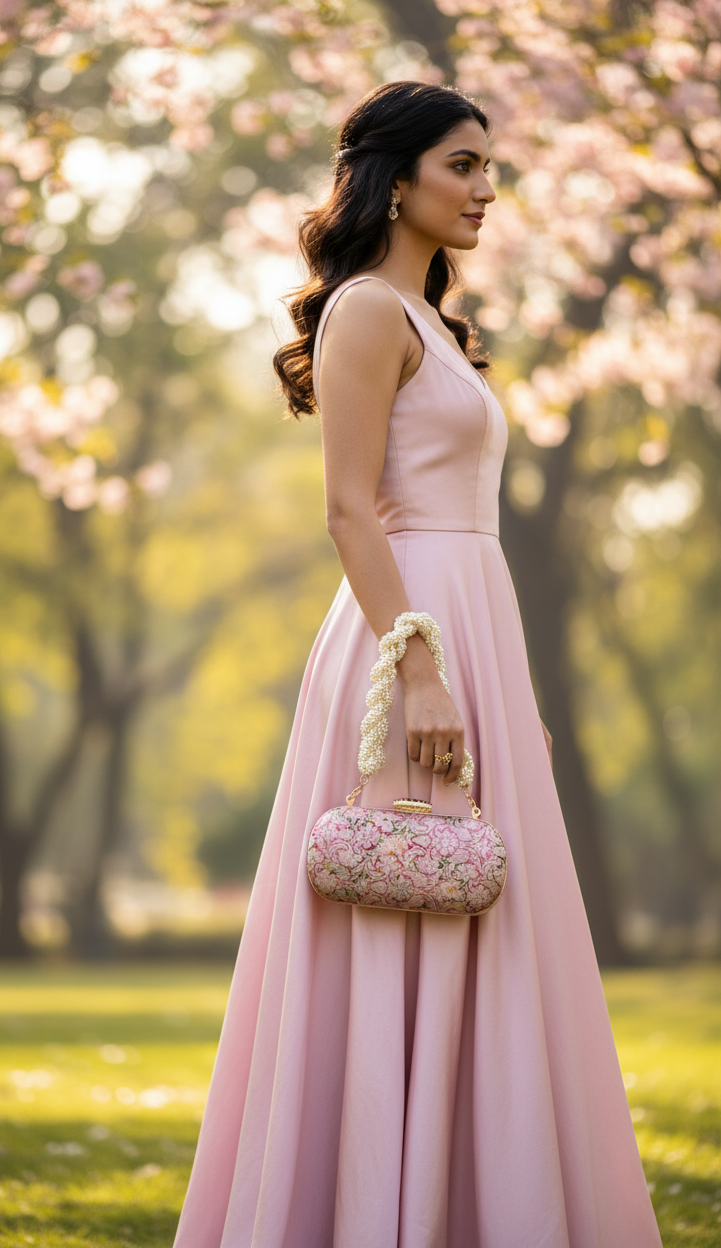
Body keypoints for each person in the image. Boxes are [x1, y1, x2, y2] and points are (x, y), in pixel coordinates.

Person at [173, 80, 662, 1248]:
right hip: (406, 646)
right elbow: (351, 513)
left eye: (490, 169)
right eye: (464, 166)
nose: (486, 190)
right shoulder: (362, 316)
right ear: (397, 180)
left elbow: (467, 528)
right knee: (404, 905)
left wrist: (514, 696)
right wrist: (424, 667)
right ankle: (366, 1205)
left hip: (470, 636)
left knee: (482, 916)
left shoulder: (438, 324)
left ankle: (468, 1203)